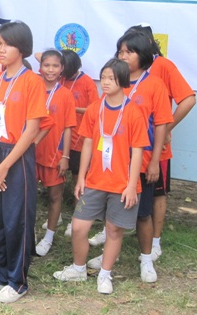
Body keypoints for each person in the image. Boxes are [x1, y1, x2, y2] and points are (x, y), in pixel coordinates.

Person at [53, 58, 148, 295]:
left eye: (111, 78)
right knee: (79, 227)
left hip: (122, 184)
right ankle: (78, 268)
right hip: (94, 180)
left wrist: (130, 185)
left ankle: (105, 274)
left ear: (123, 81)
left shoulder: (134, 112)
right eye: (103, 77)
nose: (105, 82)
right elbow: (86, 143)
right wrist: (82, 177)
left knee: (114, 230)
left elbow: (137, 152)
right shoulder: (96, 108)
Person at [0, 21, 53, 303]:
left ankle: (17, 280)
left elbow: (32, 130)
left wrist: (4, 165)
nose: (0, 49)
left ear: (22, 49)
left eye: (7, 44)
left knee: (16, 220)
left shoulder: (32, 82)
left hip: (16, 155)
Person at [87, 30, 173, 283]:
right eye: (120, 51)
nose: (123, 55)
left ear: (143, 55)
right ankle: (107, 257)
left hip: (142, 162)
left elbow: (161, 125)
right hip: (110, 166)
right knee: (112, 215)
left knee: (143, 213)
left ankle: (146, 259)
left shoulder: (154, 83)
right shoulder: (112, 83)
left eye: (129, 51)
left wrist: (156, 160)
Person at [126, 24, 195, 260]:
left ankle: (155, 242)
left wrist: (166, 128)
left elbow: (188, 99)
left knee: (156, 193)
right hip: (127, 148)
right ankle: (114, 231)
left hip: (154, 147)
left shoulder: (162, 66)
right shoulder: (123, 71)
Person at [35, 49, 76, 256]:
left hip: (54, 154)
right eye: (46, 65)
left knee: (54, 196)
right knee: (27, 196)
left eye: (55, 66)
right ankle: (28, 233)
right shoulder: (33, 88)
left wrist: (65, 156)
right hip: (31, 152)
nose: (50, 70)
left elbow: (68, 127)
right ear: (40, 67)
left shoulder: (66, 94)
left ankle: (49, 236)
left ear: (62, 69)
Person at [59, 50, 99, 237]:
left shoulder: (87, 82)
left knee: (78, 180)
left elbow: (95, 108)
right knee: (56, 178)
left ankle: (77, 217)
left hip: (78, 140)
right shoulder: (58, 76)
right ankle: (56, 214)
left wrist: (71, 108)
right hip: (58, 137)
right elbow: (38, 56)